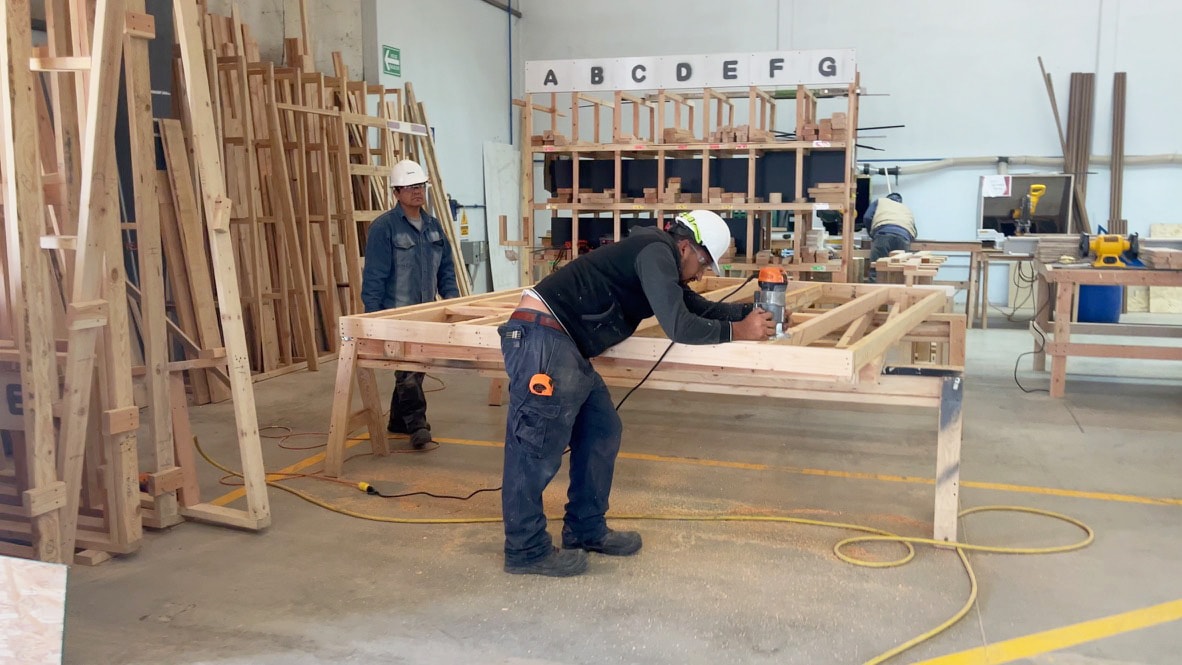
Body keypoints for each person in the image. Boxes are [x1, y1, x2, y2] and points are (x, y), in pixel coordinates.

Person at [498, 210, 774, 577]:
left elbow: (692, 306)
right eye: (704, 262)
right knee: (535, 447)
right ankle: (525, 549)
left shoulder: (657, 257)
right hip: (542, 337)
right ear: (686, 246)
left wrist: (750, 313)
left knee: (602, 429)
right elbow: (679, 325)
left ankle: (585, 528)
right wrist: (739, 332)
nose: (700, 273)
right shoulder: (655, 251)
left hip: (564, 345)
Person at [361, 159, 459, 449]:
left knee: (414, 367)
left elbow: (446, 269)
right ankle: (417, 424)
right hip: (398, 314)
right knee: (409, 367)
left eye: (420, 186)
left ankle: (397, 421)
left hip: (426, 312)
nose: (417, 192)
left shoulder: (433, 227)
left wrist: (452, 303)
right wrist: (372, 318)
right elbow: (374, 277)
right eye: (410, 187)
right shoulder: (384, 228)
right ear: (396, 193)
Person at [864, 192, 917, 283]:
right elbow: (914, 231)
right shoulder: (906, 209)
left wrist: (872, 234)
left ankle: (875, 291)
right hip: (904, 237)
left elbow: (867, 217)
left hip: (884, 234)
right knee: (899, 274)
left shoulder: (880, 201)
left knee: (877, 270)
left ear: (887, 198)